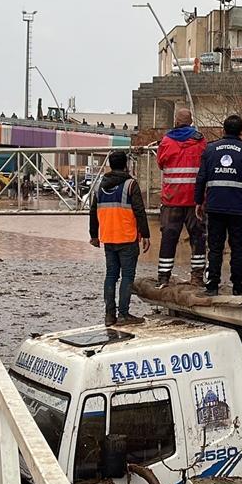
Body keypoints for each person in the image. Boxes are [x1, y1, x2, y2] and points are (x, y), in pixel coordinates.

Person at [195, 114, 242, 297]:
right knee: (238, 248)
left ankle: (212, 285)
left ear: (223, 130)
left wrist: (198, 201)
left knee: (215, 247)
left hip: (215, 206)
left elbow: (201, 178)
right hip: (239, 209)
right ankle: (238, 287)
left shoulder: (210, 149)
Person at [89, 150, 150, 326]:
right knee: (128, 276)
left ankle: (109, 315)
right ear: (126, 165)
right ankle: (123, 315)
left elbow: (93, 211)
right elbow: (139, 210)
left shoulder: (101, 185)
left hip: (108, 237)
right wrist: (145, 234)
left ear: (110, 165)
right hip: (128, 237)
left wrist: (94, 235)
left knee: (111, 276)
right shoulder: (131, 184)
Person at [155, 107, 207, 287]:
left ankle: (163, 277)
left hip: (172, 200)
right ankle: (197, 277)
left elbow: (161, 164)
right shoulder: (200, 142)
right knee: (198, 238)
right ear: (191, 122)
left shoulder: (166, 142)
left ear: (175, 122)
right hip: (195, 200)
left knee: (168, 238)